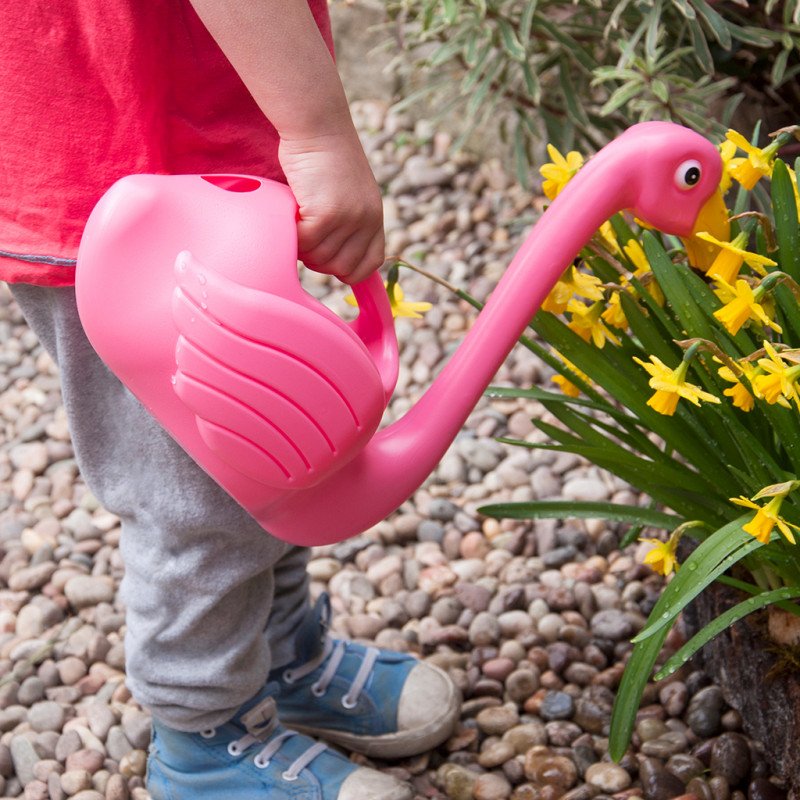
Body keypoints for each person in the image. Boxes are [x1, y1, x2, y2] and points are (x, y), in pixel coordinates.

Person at [0, 2, 460, 798]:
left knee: (273, 443)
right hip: (126, 176)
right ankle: (204, 736)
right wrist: (317, 133)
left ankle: (277, 653)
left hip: (185, 143)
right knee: (201, 493)